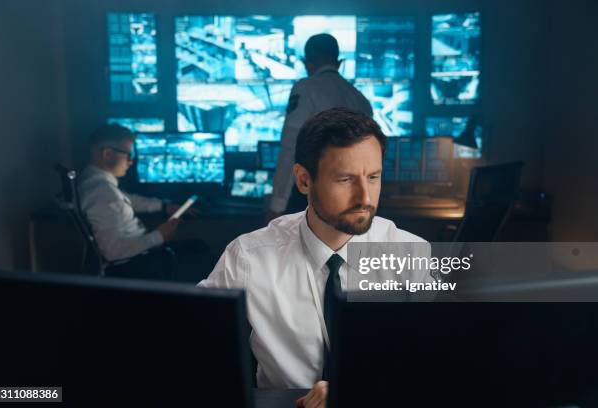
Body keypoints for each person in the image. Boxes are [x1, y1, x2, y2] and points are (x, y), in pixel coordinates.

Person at [199, 108, 433, 408]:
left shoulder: (411, 254)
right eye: (346, 179)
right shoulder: (248, 256)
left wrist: (354, 389)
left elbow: (436, 356)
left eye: (373, 177)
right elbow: (192, 339)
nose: (365, 197)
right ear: (304, 180)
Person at [78, 124, 208, 280]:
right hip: (135, 263)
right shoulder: (103, 194)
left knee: (198, 247)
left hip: (139, 252)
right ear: (107, 154)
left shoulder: (94, 182)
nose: (131, 161)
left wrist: (164, 206)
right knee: (200, 250)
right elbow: (113, 252)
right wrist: (159, 235)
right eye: (128, 155)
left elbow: (127, 199)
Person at [268, 33, 373, 221]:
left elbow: (291, 147)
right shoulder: (360, 99)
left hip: (313, 198)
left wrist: (277, 205)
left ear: (306, 62)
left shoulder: (306, 89)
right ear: (339, 62)